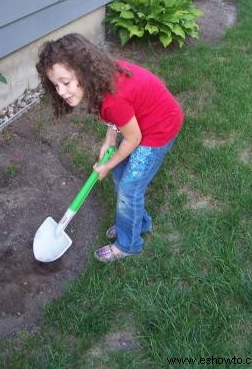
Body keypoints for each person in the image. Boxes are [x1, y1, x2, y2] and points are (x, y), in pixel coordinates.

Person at [36, 33, 184, 263]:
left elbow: (133, 138)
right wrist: (110, 141)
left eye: (65, 82)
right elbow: (117, 120)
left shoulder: (113, 100)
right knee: (120, 176)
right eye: (56, 85)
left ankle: (128, 245)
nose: (61, 91)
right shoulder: (100, 82)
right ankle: (136, 221)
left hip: (159, 129)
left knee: (129, 188)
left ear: (84, 72)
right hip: (140, 125)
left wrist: (106, 165)